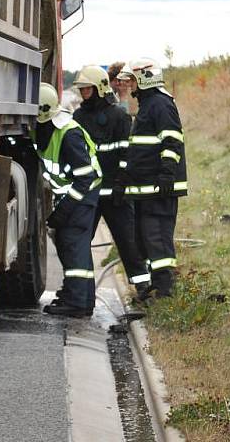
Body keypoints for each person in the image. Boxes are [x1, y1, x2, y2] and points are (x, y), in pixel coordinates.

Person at [72, 66, 150, 295]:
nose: (83, 93)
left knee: (128, 243)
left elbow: (127, 153)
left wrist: (121, 183)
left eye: (87, 88)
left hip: (116, 193)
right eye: (82, 89)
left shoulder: (119, 116)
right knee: (80, 242)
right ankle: (80, 292)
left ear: (99, 88)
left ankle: (143, 287)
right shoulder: (78, 117)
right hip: (90, 192)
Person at [116, 58, 188, 300]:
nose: (130, 85)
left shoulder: (161, 104)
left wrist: (167, 172)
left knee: (157, 238)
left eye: (133, 80)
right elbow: (139, 147)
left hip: (159, 187)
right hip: (146, 188)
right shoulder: (148, 104)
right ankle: (155, 285)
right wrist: (125, 176)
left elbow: (172, 140)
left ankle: (164, 289)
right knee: (145, 239)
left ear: (146, 79)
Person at [34, 83, 102, 317]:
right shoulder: (45, 128)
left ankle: (77, 302)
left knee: (73, 243)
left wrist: (63, 212)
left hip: (82, 193)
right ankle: (80, 297)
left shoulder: (68, 133)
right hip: (71, 194)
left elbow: (85, 178)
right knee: (70, 244)